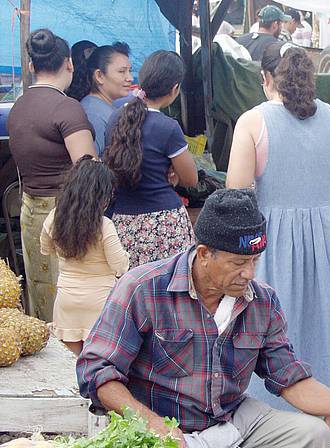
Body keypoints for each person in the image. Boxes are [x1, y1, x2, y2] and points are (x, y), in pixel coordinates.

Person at [76, 189, 330, 448]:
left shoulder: (262, 301)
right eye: (239, 263)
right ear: (204, 254)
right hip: (156, 437)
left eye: (255, 261)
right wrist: (150, 424)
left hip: (228, 428)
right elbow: (98, 371)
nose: (250, 273)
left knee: (312, 436)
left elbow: (291, 381)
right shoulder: (144, 288)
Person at [226, 43, 330, 448]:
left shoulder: (253, 122)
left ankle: (281, 428)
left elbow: (236, 190)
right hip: (329, 237)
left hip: (274, 240)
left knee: (284, 328)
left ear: (266, 80)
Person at [7, 28, 97, 321]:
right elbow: (88, 171)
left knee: (41, 289)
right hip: (67, 213)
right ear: (69, 63)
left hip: (30, 210)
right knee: (72, 293)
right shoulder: (67, 108)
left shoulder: (18, 107)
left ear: (32, 66)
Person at [103, 50, 198, 269]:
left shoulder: (115, 118)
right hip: (164, 224)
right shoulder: (168, 127)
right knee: (169, 292)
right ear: (175, 89)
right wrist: (172, 175)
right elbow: (191, 180)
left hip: (123, 222)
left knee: (132, 292)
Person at [40, 156, 129, 356]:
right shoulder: (104, 225)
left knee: (69, 367)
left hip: (66, 299)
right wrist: (126, 256)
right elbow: (120, 267)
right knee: (95, 365)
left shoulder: (55, 217)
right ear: (102, 196)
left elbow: (45, 248)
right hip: (100, 301)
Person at [68, 43, 133, 156]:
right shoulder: (93, 115)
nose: (130, 78)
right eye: (122, 72)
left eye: (129, 71)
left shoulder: (104, 106)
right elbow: (90, 165)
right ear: (99, 76)